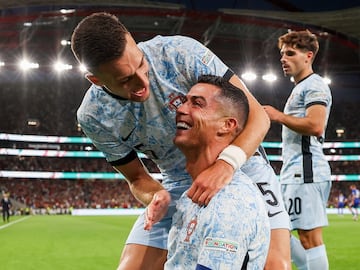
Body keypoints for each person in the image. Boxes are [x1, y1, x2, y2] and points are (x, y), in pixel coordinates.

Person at [71, 12, 290, 270]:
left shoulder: (179, 53)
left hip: (242, 163)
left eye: (141, 64)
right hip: (177, 183)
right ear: (96, 80)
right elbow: (137, 179)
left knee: (276, 265)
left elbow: (258, 118)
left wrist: (225, 165)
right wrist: (155, 196)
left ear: (133, 41)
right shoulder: (94, 115)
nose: (143, 82)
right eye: (125, 80)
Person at [164, 74, 270, 269]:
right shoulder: (196, 192)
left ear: (226, 125)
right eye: (184, 101)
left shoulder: (229, 204)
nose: (180, 109)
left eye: (196, 104)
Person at [263, 30, 332, 270]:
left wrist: (278, 116)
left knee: (309, 239)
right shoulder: (301, 88)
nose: (283, 58)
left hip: (307, 171)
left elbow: (315, 125)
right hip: (295, 172)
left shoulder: (314, 86)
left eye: (290, 53)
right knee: (275, 229)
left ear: (308, 56)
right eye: (282, 54)